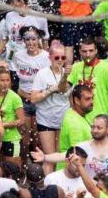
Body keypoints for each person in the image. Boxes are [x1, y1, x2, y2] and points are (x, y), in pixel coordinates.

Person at [30, 44, 73, 174]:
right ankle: (49, 185)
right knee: (48, 157)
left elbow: (66, 93)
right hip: (46, 120)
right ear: (50, 58)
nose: (60, 60)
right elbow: (33, 99)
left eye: (63, 57)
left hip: (63, 119)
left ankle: (60, 183)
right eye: (56, 57)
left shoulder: (68, 74)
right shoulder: (42, 74)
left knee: (61, 157)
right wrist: (49, 90)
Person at [67, 37, 108, 124]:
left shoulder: (106, 68)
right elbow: (63, 90)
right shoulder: (76, 67)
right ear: (80, 51)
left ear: (96, 51)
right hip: (80, 121)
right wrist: (64, 76)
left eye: (91, 51)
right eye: (84, 51)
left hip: (99, 122)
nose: (88, 54)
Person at [58, 84, 95, 163]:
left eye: (92, 98)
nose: (92, 102)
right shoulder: (75, 124)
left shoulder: (74, 114)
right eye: (87, 99)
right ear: (77, 100)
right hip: (73, 168)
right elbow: (77, 157)